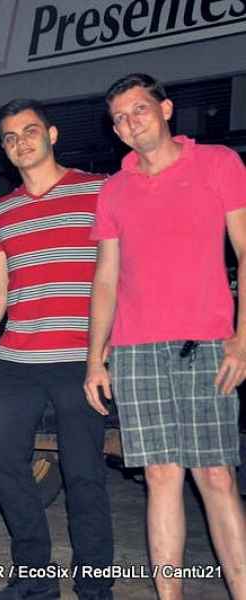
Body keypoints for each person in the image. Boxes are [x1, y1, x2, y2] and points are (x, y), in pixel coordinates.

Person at [85, 73, 246, 600]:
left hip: (207, 343)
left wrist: (243, 339)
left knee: (216, 475)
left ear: (166, 109)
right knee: (160, 476)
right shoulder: (113, 190)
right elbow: (105, 277)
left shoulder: (219, 163)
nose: (131, 123)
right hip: (135, 350)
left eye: (139, 109)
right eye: (120, 118)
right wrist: (94, 358)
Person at [0, 98, 114, 600]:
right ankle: (34, 579)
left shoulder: (98, 190)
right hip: (16, 359)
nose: (19, 142)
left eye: (28, 131)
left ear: (51, 134)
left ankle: (94, 585)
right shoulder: (4, 210)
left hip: (78, 358)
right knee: (4, 464)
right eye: (9, 137)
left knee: (84, 474)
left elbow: (115, 273)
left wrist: (103, 352)